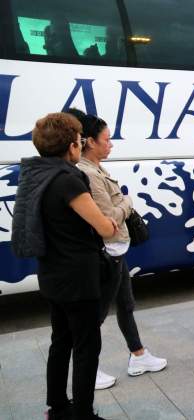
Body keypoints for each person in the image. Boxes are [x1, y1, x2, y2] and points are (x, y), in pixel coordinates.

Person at [11, 113, 118, 419]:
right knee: (86, 347)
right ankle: (83, 414)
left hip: (52, 273)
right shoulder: (68, 180)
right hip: (78, 277)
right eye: (80, 140)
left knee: (60, 341)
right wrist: (110, 220)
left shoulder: (35, 174)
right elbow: (104, 228)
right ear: (72, 145)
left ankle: (57, 407)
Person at [73, 111, 168, 389]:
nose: (111, 144)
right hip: (106, 252)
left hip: (115, 251)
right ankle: (87, 370)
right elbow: (108, 218)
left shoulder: (96, 168)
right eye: (107, 139)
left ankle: (138, 355)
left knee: (125, 304)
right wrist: (127, 202)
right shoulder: (87, 173)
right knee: (98, 313)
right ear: (89, 141)